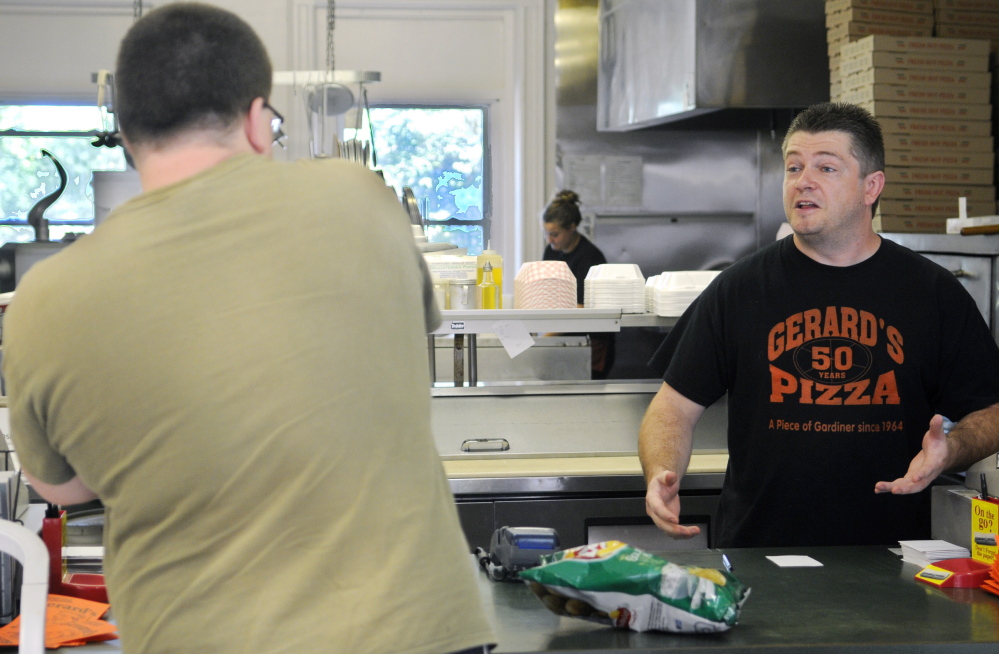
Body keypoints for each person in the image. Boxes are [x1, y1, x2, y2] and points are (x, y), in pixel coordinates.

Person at [1, 4, 494, 653]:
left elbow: (63, 487)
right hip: (420, 632)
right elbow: (403, 341)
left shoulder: (43, 299)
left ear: (126, 135)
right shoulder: (361, 202)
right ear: (260, 121)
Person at [639, 102, 999, 548]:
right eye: (793, 167)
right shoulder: (738, 289)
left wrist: (954, 448)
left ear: (872, 186)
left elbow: (992, 410)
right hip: (761, 555)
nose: (802, 181)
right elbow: (672, 407)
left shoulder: (933, 293)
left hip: (895, 558)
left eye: (826, 168)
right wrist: (660, 473)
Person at [542, 190, 615, 378]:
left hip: (591, 342)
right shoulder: (551, 252)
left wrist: (543, 338)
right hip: (562, 335)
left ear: (572, 227)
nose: (550, 240)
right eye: (547, 234)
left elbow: (580, 309)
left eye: (555, 234)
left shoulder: (590, 257)